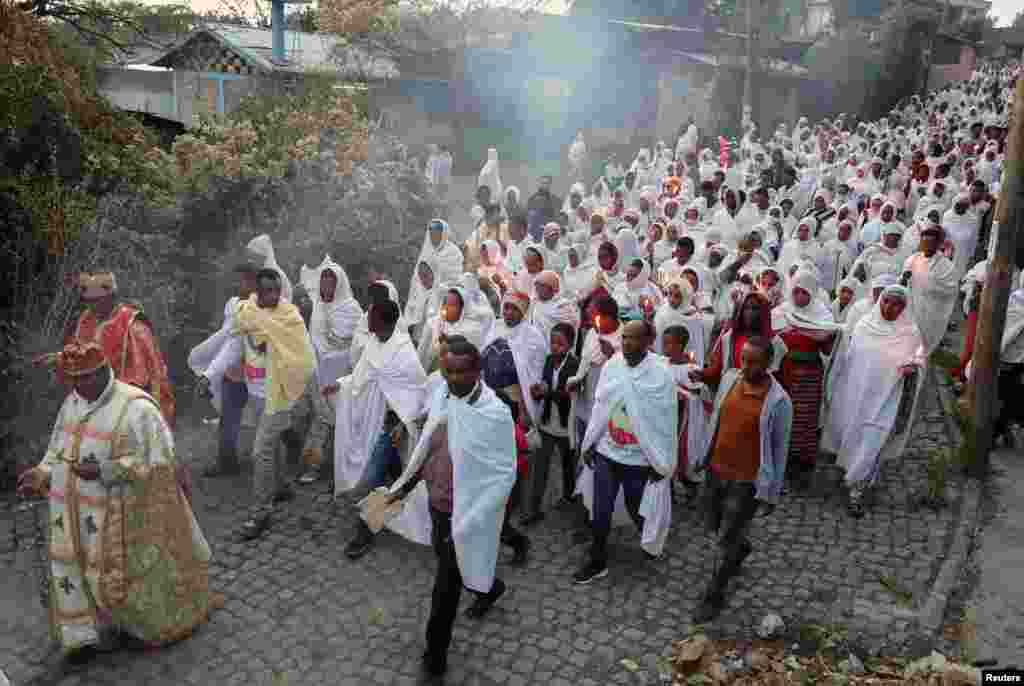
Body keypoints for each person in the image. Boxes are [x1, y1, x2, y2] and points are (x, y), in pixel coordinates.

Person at [17, 341, 212, 661]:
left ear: (103, 370)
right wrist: (42, 473)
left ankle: (136, 627)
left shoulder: (138, 409)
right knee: (84, 572)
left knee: (125, 578)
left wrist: (107, 470)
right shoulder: (74, 402)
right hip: (76, 515)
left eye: (83, 378)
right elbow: (58, 449)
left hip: (126, 518)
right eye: (72, 379)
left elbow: (162, 466)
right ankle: (91, 632)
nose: (76, 386)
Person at [385, 338, 517, 678]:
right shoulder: (443, 396)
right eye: (449, 371)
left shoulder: (495, 413)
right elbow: (428, 445)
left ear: (477, 371)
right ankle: (491, 587)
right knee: (453, 566)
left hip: (468, 513)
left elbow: (504, 474)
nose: (454, 378)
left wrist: (471, 520)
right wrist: (403, 487)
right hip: (439, 505)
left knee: (445, 587)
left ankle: (435, 655)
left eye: (462, 372)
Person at [693, 335, 792, 622]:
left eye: (753, 362)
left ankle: (714, 595)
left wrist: (771, 493)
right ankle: (741, 546)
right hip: (716, 471)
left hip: (745, 481)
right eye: (743, 359)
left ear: (768, 364)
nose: (745, 366)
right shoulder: (729, 379)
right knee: (712, 524)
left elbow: (779, 448)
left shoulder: (779, 401)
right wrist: (704, 456)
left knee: (724, 540)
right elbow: (717, 420)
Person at [574, 320, 678, 584]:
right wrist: (591, 443)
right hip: (608, 452)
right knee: (601, 509)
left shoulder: (660, 374)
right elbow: (600, 406)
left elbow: (665, 422)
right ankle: (597, 560)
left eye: (633, 338)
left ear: (647, 342)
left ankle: (650, 540)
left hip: (639, 459)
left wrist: (661, 462)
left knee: (636, 506)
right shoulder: (613, 366)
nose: (627, 343)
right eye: (625, 338)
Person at [328, 299, 428, 558]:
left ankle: (365, 532)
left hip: (391, 428)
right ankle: (399, 508)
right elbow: (361, 378)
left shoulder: (404, 354)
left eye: (371, 316)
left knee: (370, 479)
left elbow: (417, 392)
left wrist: (399, 424)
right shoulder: (374, 343)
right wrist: (341, 386)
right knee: (397, 477)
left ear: (384, 322)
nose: (366, 319)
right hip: (369, 423)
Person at [822, 285, 924, 518]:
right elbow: (848, 358)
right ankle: (850, 475)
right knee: (852, 436)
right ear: (880, 302)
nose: (891, 307)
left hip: (886, 399)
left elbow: (920, 359)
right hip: (855, 396)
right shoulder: (864, 326)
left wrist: (913, 367)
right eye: (887, 301)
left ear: (905, 308)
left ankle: (856, 491)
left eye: (898, 304)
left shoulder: (910, 333)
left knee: (873, 440)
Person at [227, 269, 315, 539]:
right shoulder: (247, 312)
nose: (274, 295)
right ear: (257, 290)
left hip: (278, 395)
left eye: (277, 290)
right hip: (256, 393)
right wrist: (209, 375)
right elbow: (234, 339)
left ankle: (261, 513)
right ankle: (281, 487)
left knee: (260, 451)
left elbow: (305, 358)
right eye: (267, 291)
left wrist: (274, 346)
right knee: (271, 444)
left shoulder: (289, 316)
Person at [38, 271, 176, 428]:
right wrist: (58, 358)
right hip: (93, 406)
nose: (91, 306)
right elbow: (79, 355)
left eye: (97, 301)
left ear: (112, 297)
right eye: (88, 301)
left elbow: (155, 373)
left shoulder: (133, 324)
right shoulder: (86, 320)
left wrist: (158, 418)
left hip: (127, 407)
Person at [293, 256, 363, 483]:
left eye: (330, 282)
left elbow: (353, 341)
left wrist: (331, 351)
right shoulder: (319, 307)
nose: (325, 286)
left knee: (344, 420)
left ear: (340, 283)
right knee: (320, 419)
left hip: (342, 372)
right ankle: (313, 466)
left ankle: (346, 466)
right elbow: (314, 337)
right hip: (318, 369)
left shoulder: (351, 309)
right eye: (323, 281)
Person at [771, 269, 840, 490]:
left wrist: (829, 335)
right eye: (796, 291)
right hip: (783, 373)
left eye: (804, 292)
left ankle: (801, 467)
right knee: (782, 416)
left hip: (808, 376)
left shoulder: (823, 316)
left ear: (812, 293)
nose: (799, 297)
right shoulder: (781, 312)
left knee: (803, 420)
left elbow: (828, 349)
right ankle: (780, 463)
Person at [188, 260, 259, 477]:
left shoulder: (263, 305)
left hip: (258, 375)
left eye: (248, 278)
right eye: (241, 278)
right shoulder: (233, 305)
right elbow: (228, 338)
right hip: (233, 372)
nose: (243, 283)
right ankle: (227, 463)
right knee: (229, 419)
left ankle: (276, 464)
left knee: (270, 419)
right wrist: (211, 372)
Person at [523, 322, 581, 524]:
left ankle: (569, 496)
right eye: (553, 342)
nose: (555, 347)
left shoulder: (575, 365)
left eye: (560, 343)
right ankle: (534, 508)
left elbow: (571, 395)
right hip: (547, 424)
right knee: (540, 467)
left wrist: (550, 392)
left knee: (567, 466)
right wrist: (538, 392)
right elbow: (545, 385)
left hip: (566, 426)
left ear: (570, 345)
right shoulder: (548, 361)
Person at [901, 223, 959, 356]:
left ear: (939, 244)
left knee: (925, 344)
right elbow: (903, 283)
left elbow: (950, 289)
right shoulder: (912, 259)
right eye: (924, 243)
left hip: (932, 311)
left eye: (931, 243)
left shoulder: (946, 266)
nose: (927, 247)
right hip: (912, 307)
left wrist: (926, 283)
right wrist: (904, 279)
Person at [527, 175, 563, 242]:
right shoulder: (532, 200)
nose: (544, 185)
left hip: (550, 233)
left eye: (546, 183)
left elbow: (557, 217)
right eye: (542, 183)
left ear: (550, 185)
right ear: (539, 184)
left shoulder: (556, 200)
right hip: (535, 233)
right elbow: (529, 218)